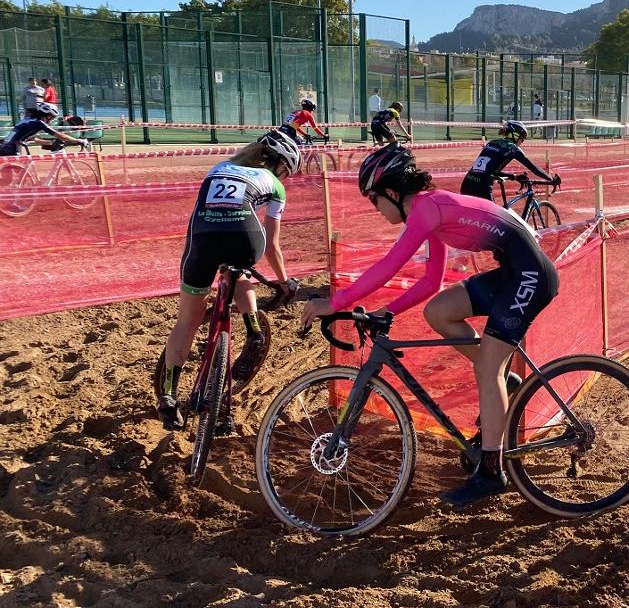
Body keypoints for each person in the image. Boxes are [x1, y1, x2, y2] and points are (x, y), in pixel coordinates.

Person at [301, 143, 560, 507]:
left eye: (375, 200)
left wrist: (335, 302)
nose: (376, 210)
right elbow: (431, 283)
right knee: (439, 311)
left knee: (489, 369)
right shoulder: (429, 211)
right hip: (516, 272)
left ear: (391, 192)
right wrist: (388, 311)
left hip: (530, 276)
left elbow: (389, 265)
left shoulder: (426, 209)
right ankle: (504, 381)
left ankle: (491, 471)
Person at [156, 130, 301, 429]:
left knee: (187, 320)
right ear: (280, 166)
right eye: (287, 173)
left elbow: (200, 213)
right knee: (240, 268)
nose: (285, 178)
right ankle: (254, 330)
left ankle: (169, 395)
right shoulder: (275, 185)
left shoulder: (218, 168)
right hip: (244, 237)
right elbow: (272, 247)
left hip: (202, 239)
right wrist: (285, 282)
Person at [460, 121, 559, 202]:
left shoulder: (491, 143)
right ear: (515, 136)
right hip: (482, 186)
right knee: (494, 221)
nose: (522, 142)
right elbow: (533, 168)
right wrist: (551, 179)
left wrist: (514, 177)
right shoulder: (512, 148)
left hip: (467, 182)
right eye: (522, 139)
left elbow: (490, 170)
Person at [0, 103, 87, 156]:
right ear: (47, 115)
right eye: (52, 118)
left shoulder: (30, 119)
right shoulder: (38, 123)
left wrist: (50, 143)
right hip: (11, 148)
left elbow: (31, 138)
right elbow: (60, 135)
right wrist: (78, 141)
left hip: (7, 146)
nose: (52, 120)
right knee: (15, 175)